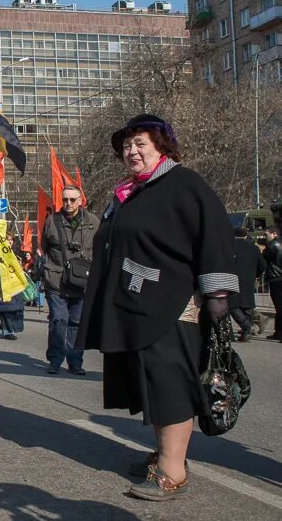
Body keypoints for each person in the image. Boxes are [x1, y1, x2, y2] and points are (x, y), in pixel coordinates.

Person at [77, 114, 238, 501]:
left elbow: (214, 236)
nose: (131, 151)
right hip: (135, 305)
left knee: (170, 387)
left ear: (162, 146)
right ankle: (166, 453)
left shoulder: (184, 184)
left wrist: (217, 296)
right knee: (149, 385)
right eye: (127, 146)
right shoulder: (131, 191)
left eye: (140, 143)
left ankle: (172, 470)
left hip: (172, 307)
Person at [40, 184, 99, 375]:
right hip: (56, 280)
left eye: (72, 199)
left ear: (80, 201)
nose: (68, 203)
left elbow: (98, 250)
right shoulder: (52, 221)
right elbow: (44, 246)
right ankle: (55, 360)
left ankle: (75, 362)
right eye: (65, 199)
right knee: (58, 320)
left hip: (82, 282)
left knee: (77, 322)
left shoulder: (92, 222)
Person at [230, 226, 266, 342]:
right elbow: (263, 265)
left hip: (233, 279)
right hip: (249, 279)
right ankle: (246, 334)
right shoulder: (254, 248)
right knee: (248, 306)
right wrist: (255, 274)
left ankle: (247, 327)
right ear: (245, 235)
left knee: (232, 306)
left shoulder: (230, 246)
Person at [264, 226, 282, 341]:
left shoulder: (274, 246)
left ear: (274, 234)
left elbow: (265, 257)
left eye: (267, 234)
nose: (265, 237)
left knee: (279, 307)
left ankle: (279, 332)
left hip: (276, 278)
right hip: (278, 277)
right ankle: (278, 332)